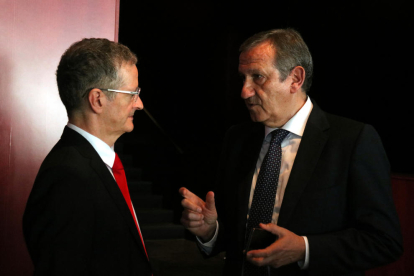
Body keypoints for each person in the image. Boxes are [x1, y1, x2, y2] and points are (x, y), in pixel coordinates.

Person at [179, 28, 403, 275]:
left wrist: (304, 249)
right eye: (243, 78)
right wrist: (210, 231)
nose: (245, 91)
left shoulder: (352, 141)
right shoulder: (237, 139)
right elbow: (236, 237)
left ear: (295, 79)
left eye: (258, 77)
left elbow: (384, 241)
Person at [23, 38, 152, 275]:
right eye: (132, 93)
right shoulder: (67, 177)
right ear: (98, 99)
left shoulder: (95, 164)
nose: (140, 104)